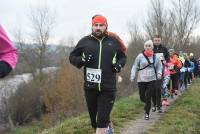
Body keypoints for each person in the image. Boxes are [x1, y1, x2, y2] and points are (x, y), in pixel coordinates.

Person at [69, 15, 127, 134]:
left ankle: (104, 126)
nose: (98, 28)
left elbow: (123, 57)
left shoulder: (113, 41)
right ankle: (108, 126)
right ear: (92, 26)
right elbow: (72, 57)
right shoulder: (85, 41)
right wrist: (82, 61)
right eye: (96, 25)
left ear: (106, 26)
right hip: (90, 87)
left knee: (101, 120)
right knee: (94, 122)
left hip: (108, 87)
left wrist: (118, 66)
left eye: (101, 25)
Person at [130, 40, 162, 120]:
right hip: (141, 79)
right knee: (142, 97)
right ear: (144, 47)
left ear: (152, 47)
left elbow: (159, 67)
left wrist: (159, 73)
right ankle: (150, 103)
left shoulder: (156, 57)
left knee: (148, 96)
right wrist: (133, 75)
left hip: (152, 79)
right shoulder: (140, 56)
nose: (148, 47)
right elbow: (135, 66)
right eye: (146, 46)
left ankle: (147, 113)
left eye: (149, 46)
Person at [152, 35, 169, 112]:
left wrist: (166, 61)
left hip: (160, 70)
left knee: (158, 88)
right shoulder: (150, 48)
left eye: (158, 40)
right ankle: (154, 103)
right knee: (153, 88)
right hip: (151, 71)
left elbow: (167, 57)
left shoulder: (164, 49)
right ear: (153, 40)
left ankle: (159, 106)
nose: (157, 42)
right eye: (155, 40)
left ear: (160, 40)